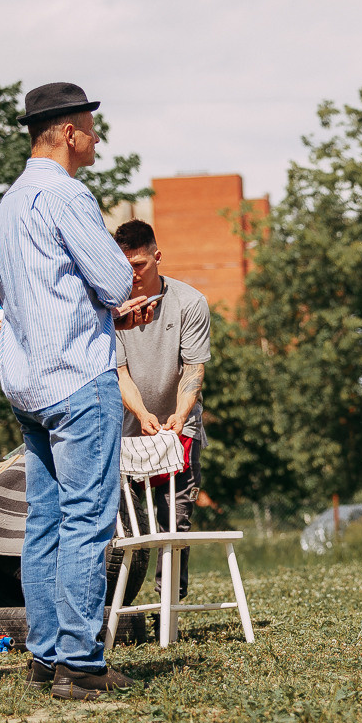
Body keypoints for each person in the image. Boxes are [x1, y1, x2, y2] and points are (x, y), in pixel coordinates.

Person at [0, 82, 153, 699]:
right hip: (79, 377)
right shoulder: (68, 195)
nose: (96, 137)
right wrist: (114, 305)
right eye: (89, 125)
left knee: (45, 521)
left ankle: (45, 653)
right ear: (65, 132)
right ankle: (80, 664)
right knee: (87, 520)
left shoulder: (5, 208)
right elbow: (113, 277)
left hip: (27, 382)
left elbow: (27, 293)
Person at [113, 219, 211, 601]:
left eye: (139, 264)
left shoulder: (190, 302)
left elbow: (194, 367)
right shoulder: (113, 307)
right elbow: (119, 372)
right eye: (124, 266)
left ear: (157, 257)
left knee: (176, 520)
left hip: (179, 429)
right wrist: (140, 414)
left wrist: (181, 414)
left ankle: (166, 606)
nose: (132, 274)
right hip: (127, 429)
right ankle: (114, 606)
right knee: (124, 523)